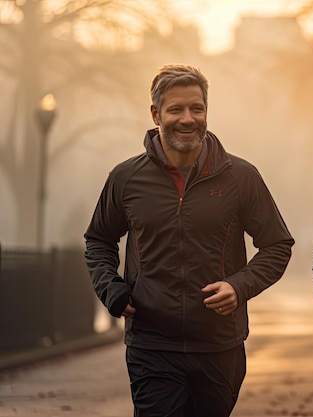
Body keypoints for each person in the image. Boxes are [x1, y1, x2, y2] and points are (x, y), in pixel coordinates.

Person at [84, 64, 294, 417]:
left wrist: (239, 286)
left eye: (196, 108)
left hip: (219, 345)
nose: (187, 118)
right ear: (155, 114)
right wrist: (112, 290)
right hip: (152, 344)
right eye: (176, 109)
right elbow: (98, 240)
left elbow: (277, 245)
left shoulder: (240, 177)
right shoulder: (126, 178)